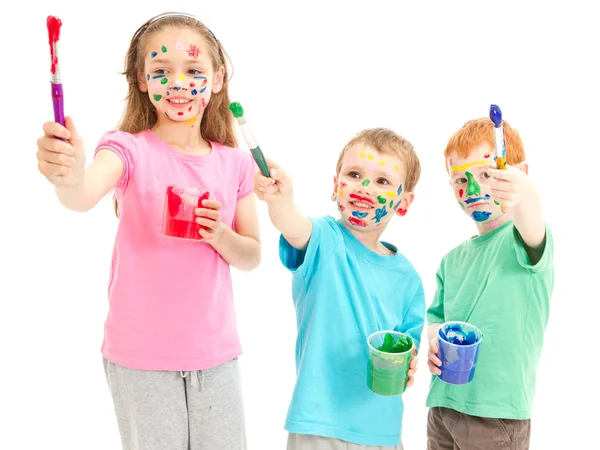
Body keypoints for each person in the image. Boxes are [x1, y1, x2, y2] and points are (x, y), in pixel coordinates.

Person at [35, 12, 261, 450]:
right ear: (142, 80)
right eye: (161, 71)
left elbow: (251, 255)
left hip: (215, 356)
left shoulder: (235, 162)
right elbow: (82, 195)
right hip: (140, 358)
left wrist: (220, 235)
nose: (178, 82)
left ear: (218, 79)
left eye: (193, 70)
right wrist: (67, 175)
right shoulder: (127, 149)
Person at [254, 128, 425, 450]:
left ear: (403, 203)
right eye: (355, 174)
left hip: (382, 430)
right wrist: (280, 200)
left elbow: (408, 346)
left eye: (382, 181)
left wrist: (410, 362)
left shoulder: (409, 278)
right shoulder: (323, 239)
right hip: (318, 425)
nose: (364, 187)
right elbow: (290, 222)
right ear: (336, 186)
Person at [425, 118, 554, 450]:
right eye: (459, 180)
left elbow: (529, 213)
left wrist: (522, 191)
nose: (473, 188)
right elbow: (436, 316)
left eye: (486, 174)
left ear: (519, 174)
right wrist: (433, 338)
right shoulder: (451, 260)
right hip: (443, 406)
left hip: (496, 415)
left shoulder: (525, 240)